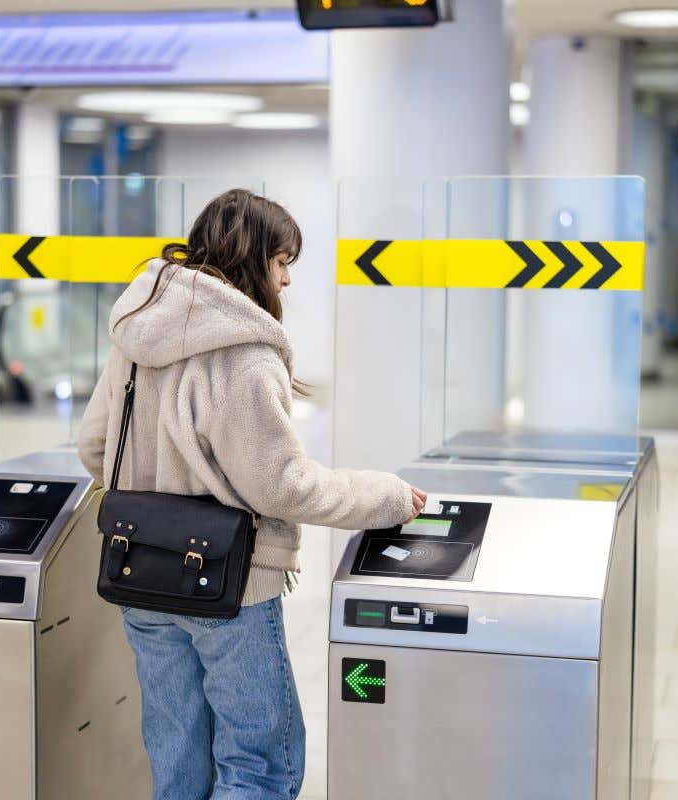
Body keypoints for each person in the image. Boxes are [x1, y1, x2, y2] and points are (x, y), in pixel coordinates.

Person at [78, 188, 426, 800]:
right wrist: (385, 496)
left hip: (140, 576)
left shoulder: (133, 337)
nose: (286, 279)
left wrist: (159, 492)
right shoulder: (244, 353)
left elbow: (94, 447)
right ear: (251, 257)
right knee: (259, 766)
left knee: (177, 762)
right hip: (229, 590)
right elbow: (281, 486)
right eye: (281, 261)